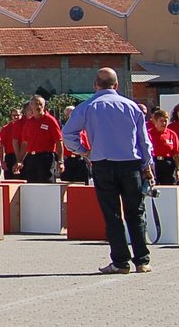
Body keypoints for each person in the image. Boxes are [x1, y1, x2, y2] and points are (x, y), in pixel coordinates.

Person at [63, 68, 155, 274]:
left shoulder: (88, 106)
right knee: (136, 212)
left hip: (103, 164)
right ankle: (142, 260)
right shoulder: (132, 106)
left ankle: (120, 261)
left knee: (112, 214)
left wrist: (84, 151)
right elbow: (144, 141)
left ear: (95, 85)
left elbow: (68, 134)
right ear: (116, 85)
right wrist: (147, 165)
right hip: (130, 163)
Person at [17, 96, 64, 183]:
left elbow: (59, 141)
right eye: (35, 104)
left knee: (46, 183)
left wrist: (60, 161)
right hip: (31, 158)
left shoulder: (50, 120)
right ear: (31, 106)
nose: (38, 107)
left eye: (40, 104)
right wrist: (19, 161)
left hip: (46, 157)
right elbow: (24, 143)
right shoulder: (29, 122)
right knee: (32, 184)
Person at [148, 107, 179, 187]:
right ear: (155, 122)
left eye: (165, 121)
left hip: (168, 163)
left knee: (169, 186)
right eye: (161, 121)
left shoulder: (172, 134)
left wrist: (178, 170)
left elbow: (177, 154)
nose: (164, 123)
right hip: (154, 163)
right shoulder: (149, 134)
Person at [58, 105, 91, 183]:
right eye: (69, 115)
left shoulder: (82, 129)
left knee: (82, 183)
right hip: (68, 160)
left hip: (80, 159)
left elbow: (87, 144)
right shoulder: (64, 130)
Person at [0, 107, 23, 179]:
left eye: (18, 115)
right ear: (11, 116)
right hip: (10, 156)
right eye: (14, 115)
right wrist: (2, 162)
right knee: (9, 178)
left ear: (21, 115)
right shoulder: (6, 128)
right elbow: (1, 146)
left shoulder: (25, 127)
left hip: (21, 155)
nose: (16, 117)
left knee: (20, 178)